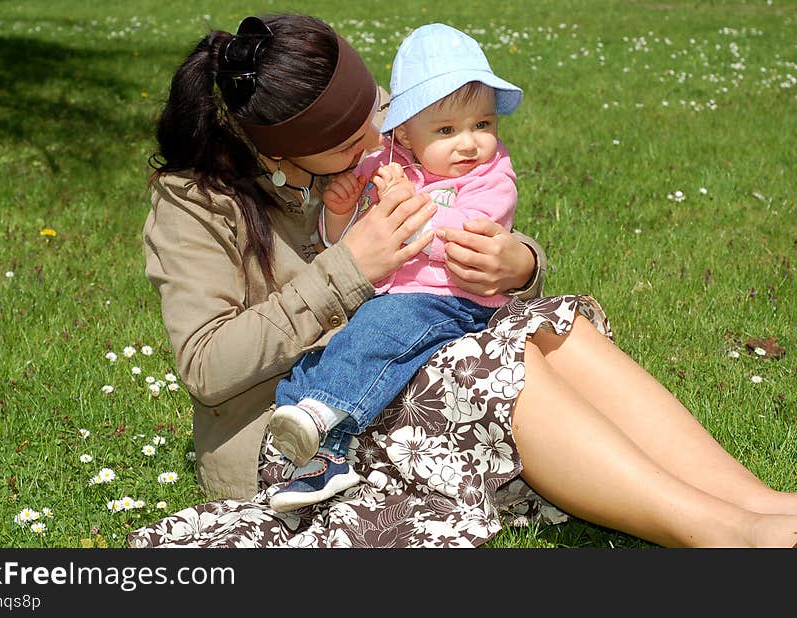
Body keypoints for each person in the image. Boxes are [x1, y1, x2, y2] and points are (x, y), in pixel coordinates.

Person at [130, 13, 797, 549]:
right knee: (484, 363)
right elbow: (207, 366)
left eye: (377, 116)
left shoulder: (374, 122)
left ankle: (756, 503)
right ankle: (727, 536)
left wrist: (519, 263)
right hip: (301, 431)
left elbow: (468, 201)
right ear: (275, 151)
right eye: (348, 143)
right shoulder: (195, 202)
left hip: (412, 351)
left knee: (548, 324)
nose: (375, 142)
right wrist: (350, 269)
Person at [268, 24, 527, 513]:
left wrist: (407, 206)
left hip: (452, 299)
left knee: (380, 335)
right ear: (404, 132)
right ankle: (320, 457)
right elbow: (342, 244)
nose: (469, 143)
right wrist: (343, 208)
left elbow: (464, 234)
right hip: (391, 296)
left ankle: (323, 413)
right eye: (447, 131)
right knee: (318, 362)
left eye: (483, 125)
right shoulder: (387, 166)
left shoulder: (492, 178)